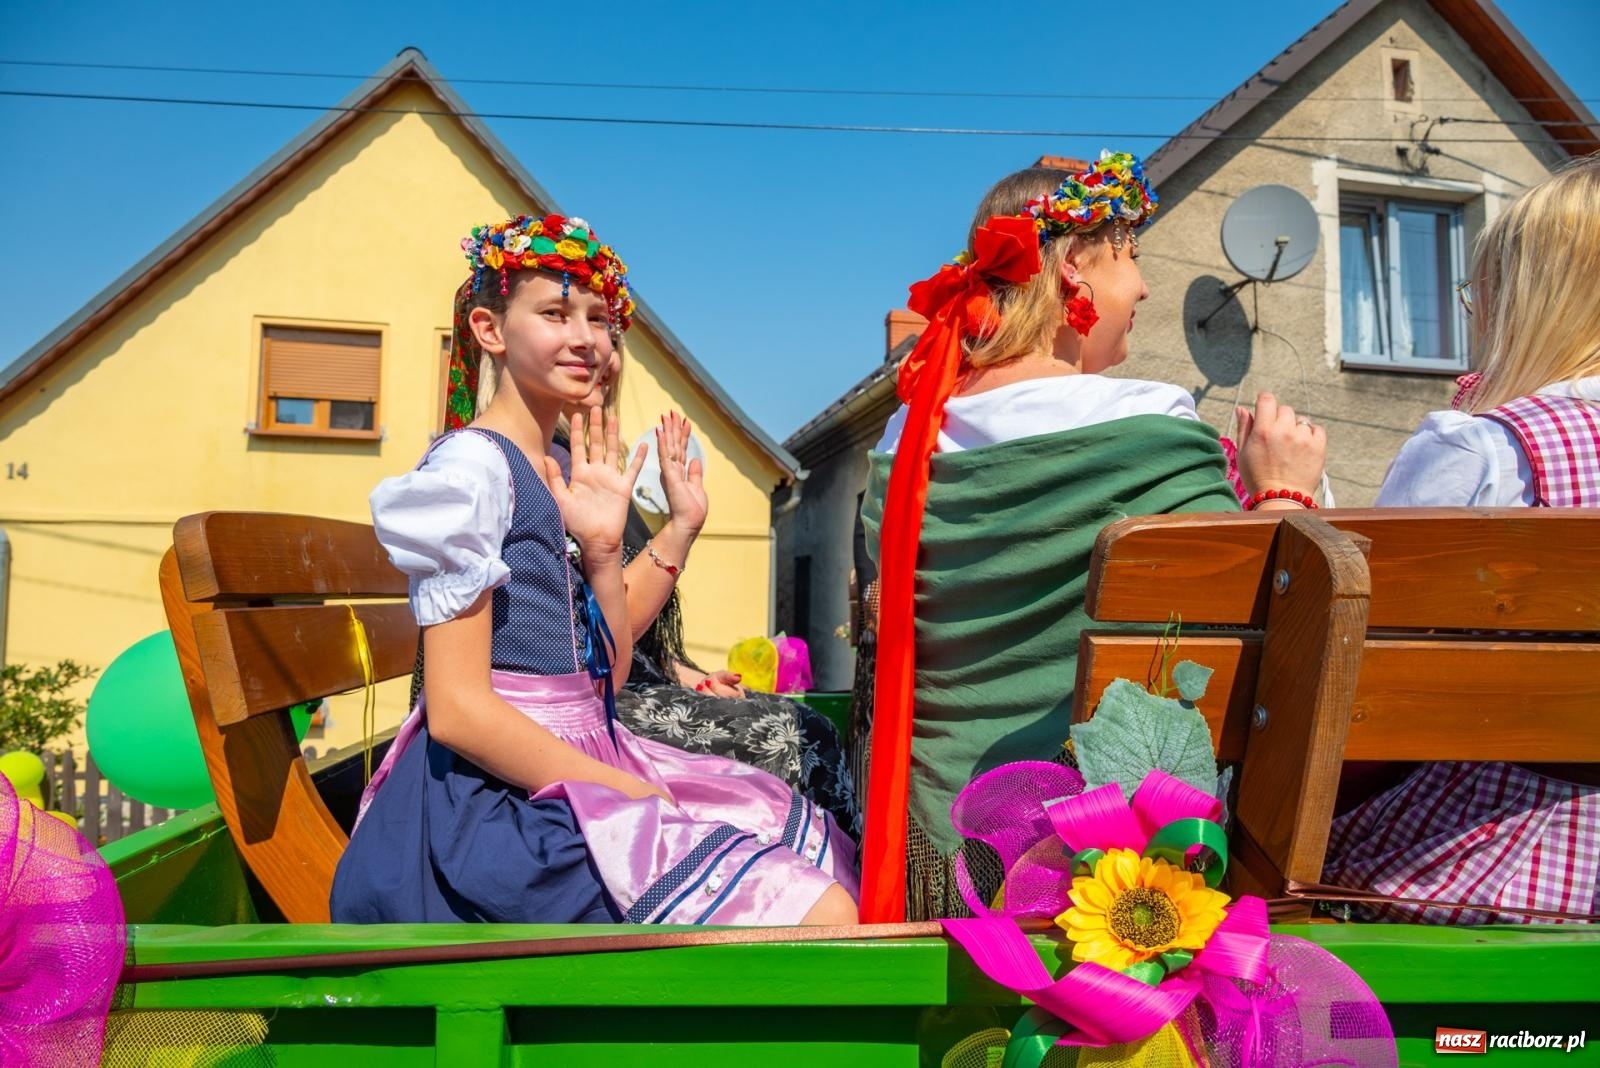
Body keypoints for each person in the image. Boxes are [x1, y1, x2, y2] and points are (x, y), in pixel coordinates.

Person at [331, 213, 858, 926]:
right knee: (819, 908)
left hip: (579, 752)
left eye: (598, 319)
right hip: (491, 810)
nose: (585, 338)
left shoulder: (557, 464)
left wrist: (606, 553)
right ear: (490, 329)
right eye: (554, 313)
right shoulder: (470, 470)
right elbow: (457, 713)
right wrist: (626, 791)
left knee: (814, 841)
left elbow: (602, 679)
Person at [856, 154, 1326, 922]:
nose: (1142, 287)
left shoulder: (908, 432)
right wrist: (1285, 492)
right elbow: (1261, 630)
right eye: (1130, 257)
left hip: (941, 855)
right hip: (1105, 870)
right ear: (1074, 265)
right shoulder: (1150, 422)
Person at [1322, 153, 1600, 925]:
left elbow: (1359, 691)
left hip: (1507, 850)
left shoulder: (1481, 450)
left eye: (1481, 295)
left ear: (1532, 304)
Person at [555, 351, 860, 839]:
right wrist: (679, 529)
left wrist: (692, 678)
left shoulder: (585, 462)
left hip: (621, 685)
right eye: (561, 316)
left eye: (605, 328)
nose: (599, 350)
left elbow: (632, 639)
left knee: (806, 724)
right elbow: (589, 639)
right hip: (582, 708)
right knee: (793, 738)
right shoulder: (544, 466)